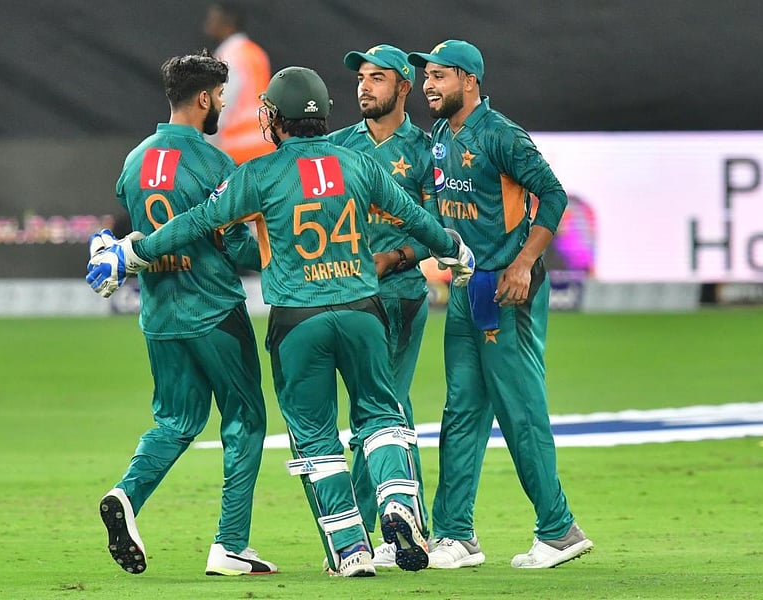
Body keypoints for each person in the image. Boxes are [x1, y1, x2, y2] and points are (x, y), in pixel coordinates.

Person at [86, 65, 476, 578]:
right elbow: (417, 218)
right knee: (381, 417)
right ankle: (398, 505)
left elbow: (197, 223)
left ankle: (350, 552)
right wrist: (455, 249)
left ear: (276, 117)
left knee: (316, 440)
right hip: (362, 312)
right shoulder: (358, 163)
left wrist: (133, 253)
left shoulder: (257, 174)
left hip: (297, 324)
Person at [406, 40, 594, 569]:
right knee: (461, 409)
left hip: (506, 287)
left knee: (519, 408)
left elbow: (553, 195)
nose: (429, 85)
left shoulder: (502, 136)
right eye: (426, 77)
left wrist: (521, 264)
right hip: (468, 285)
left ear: (469, 80)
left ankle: (558, 529)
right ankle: (456, 534)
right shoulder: (441, 135)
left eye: (439, 76)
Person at [95, 50, 277, 577]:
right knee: (245, 419)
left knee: (176, 420)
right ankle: (230, 545)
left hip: (159, 313)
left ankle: (126, 495)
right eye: (220, 96)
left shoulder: (134, 160)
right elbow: (239, 249)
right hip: (214, 310)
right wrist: (276, 243)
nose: (223, 103)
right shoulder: (212, 162)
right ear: (203, 98)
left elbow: (133, 227)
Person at [327, 44, 435, 569]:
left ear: (404, 88)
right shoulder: (336, 146)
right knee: (384, 408)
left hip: (399, 297)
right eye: (361, 78)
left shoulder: (425, 150)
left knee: (380, 408)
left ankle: (366, 531)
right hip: (345, 297)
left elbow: (440, 228)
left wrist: (395, 256)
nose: (364, 87)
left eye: (377, 78)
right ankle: (407, 521)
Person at [203, 1, 275, 164]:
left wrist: (207, 151)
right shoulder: (256, 53)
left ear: (228, 22)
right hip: (264, 147)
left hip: (236, 153)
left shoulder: (228, 57)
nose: (208, 22)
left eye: (213, 18)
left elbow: (220, 107)